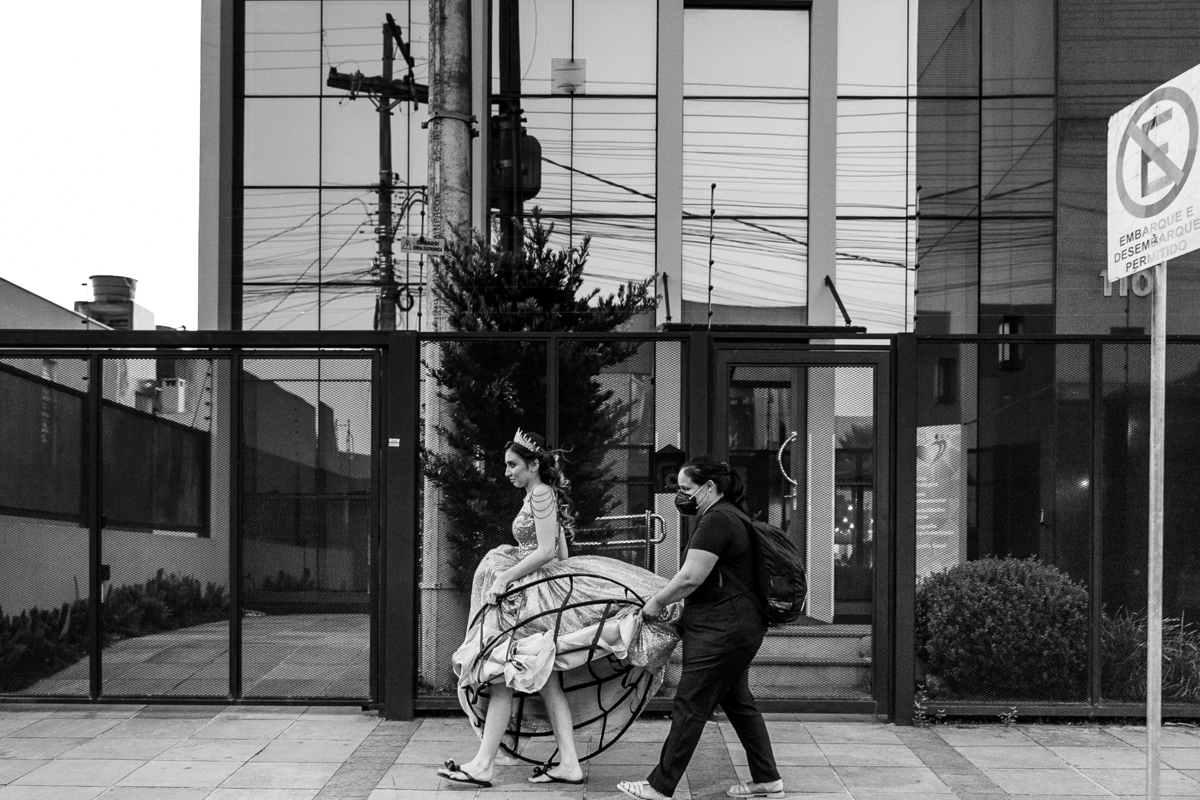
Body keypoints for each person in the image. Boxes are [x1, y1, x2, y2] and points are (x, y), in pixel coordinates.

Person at [439, 429, 681, 788]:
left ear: (533, 464)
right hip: (537, 593)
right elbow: (562, 554)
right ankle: (566, 763)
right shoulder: (539, 494)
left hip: (531, 596)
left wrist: (506, 578)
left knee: (501, 671)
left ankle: (483, 765)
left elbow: (547, 553)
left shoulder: (539, 493)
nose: (507, 471)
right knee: (542, 678)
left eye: (512, 464)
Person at [617, 456, 783, 800]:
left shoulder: (718, 519)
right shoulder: (730, 515)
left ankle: (660, 786)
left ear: (709, 487)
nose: (681, 496)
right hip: (735, 626)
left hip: (722, 630)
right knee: (738, 702)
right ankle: (767, 780)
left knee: (690, 705)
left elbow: (691, 577)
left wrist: (658, 602)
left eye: (685, 489)